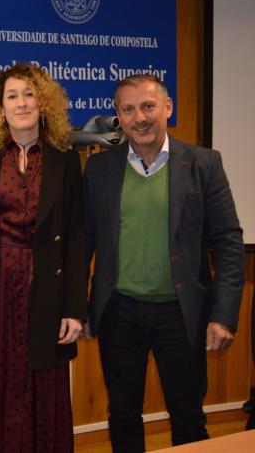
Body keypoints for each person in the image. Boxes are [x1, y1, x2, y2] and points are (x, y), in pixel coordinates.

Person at [83, 74, 245, 452]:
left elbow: (229, 242)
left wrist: (223, 315)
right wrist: (79, 305)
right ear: (118, 115)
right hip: (118, 312)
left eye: (148, 106)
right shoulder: (99, 170)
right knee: (123, 413)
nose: (139, 118)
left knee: (188, 416)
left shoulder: (203, 164)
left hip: (182, 313)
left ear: (167, 108)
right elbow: (84, 243)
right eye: (128, 109)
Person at [0, 63, 86, 452]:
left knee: (39, 388)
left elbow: (75, 239)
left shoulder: (65, 158)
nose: (21, 103)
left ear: (43, 102)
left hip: (45, 293)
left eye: (29, 94)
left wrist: (75, 308)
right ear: (0, 107)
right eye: (12, 96)